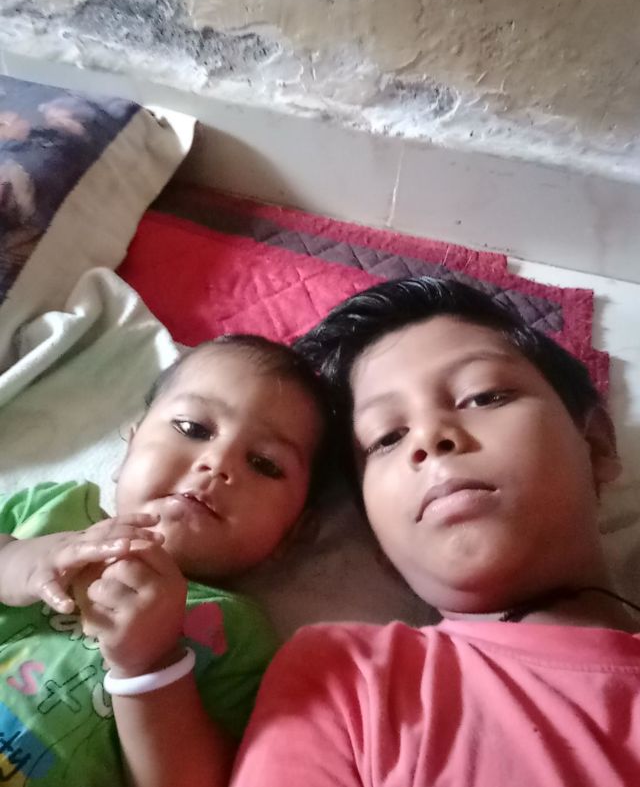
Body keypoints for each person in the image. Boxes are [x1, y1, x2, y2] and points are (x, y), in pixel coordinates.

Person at [231, 276, 640, 787]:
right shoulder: (348, 679)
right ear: (377, 537)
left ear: (596, 444)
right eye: (387, 438)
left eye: (483, 396)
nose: (428, 437)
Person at [0, 334, 329, 787]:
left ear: (291, 534)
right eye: (193, 429)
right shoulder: (53, 512)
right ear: (130, 447)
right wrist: (17, 557)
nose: (217, 462)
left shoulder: (234, 634)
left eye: (264, 463)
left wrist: (150, 665)